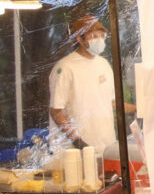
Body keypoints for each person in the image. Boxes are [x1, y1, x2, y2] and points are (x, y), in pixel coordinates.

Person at [49, 14, 132, 153]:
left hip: (106, 144)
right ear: (79, 39)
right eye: (94, 36)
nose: (99, 40)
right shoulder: (65, 67)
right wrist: (77, 141)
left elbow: (112, 103)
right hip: (75, 150)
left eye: (102, 36)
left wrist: (140, 109)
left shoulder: (103, 64)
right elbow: (56, 111)